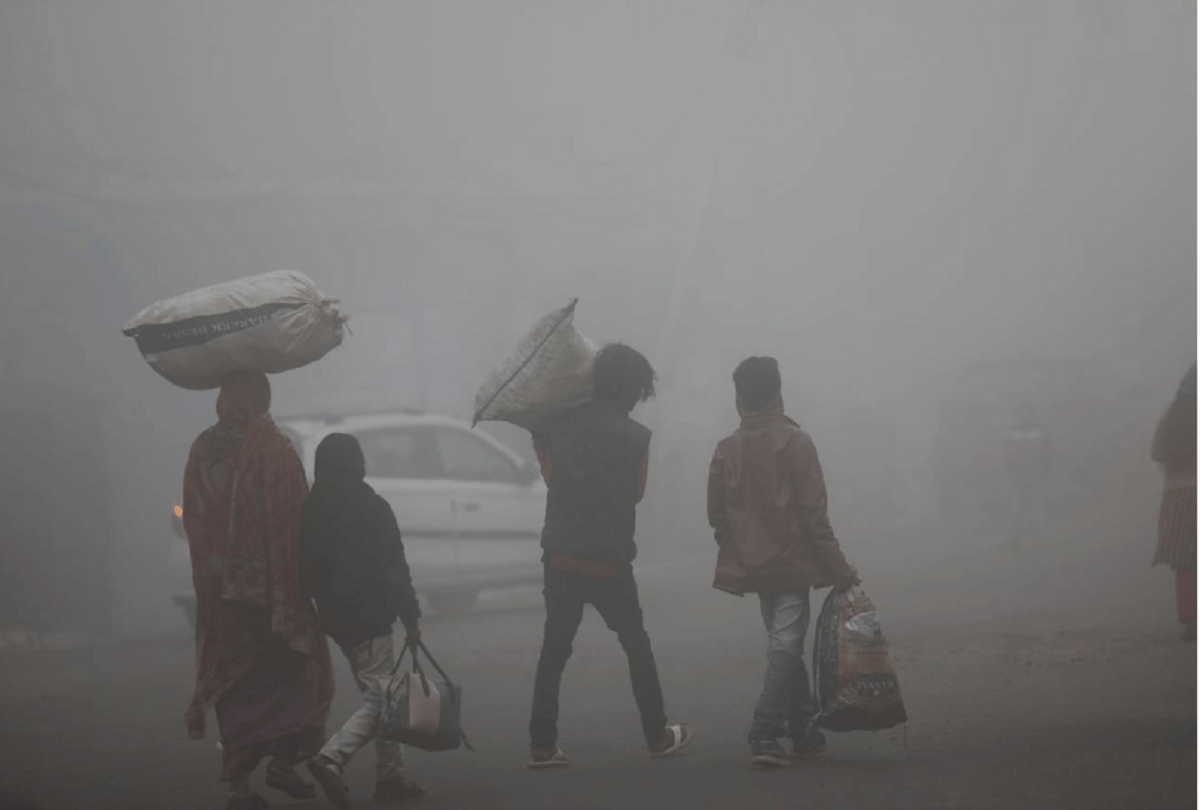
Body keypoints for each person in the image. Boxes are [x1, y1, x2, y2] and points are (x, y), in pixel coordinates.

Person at [527, 343, 694, 768]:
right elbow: (635, 495)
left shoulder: (560, 427)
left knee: (554, 649)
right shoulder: (636, 437)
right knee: (636, 644)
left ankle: (543, 745)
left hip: (561, 558)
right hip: (609, 561)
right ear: (633, 390)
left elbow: (552, 479)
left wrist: (545, 450)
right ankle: (657, 734)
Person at [181, 371, 335, 810]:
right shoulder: (275, 447)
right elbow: (296, 517)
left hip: (221, 593)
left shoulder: (202, 449)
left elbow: (189, 512)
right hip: (276, 591)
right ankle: (286, 762)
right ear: (262, 397)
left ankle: (239, 787)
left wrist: (221, 564)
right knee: (303, 671)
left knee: (237, 683)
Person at [707, 357, 859, 769]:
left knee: (782, 644)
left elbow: (717, 517)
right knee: (786, 645)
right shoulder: (796, 442)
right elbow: (813, 514)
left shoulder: (725, 449)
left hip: (754, 566)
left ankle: (803, 728)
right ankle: (766, 729)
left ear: (739, 400)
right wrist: (839, 566)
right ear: (778, 395)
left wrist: (740, 545)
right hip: (791, 563)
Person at [300, 433, 425, 807]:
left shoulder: (312, 510)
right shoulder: (373, 507)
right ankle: (332, 757)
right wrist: (412, 617)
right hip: (373, 619)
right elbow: (394, 569)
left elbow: (306, 571)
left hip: (338, 622)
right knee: (386, 700)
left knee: (379, 692)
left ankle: (391, 776)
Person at [1151, 363, 1197, 642]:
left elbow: (1156, 452)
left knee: (1187, 561)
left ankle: (1192, 620)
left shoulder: (1171, 416)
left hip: (1178, 496)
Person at [1004, 402, 1052, 547]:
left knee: (1037, 504)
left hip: (1036, 471)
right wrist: (1010, 470)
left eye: (1026, 412)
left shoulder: (1040, 430)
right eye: (1021, 412)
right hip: (1018, 473)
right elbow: (1007, 453)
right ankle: (1015, 537)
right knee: (1017, 506)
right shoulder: (1013, 431)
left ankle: (1039, 538)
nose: (1023, 415)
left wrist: (1045, 469)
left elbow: (1047, 451)